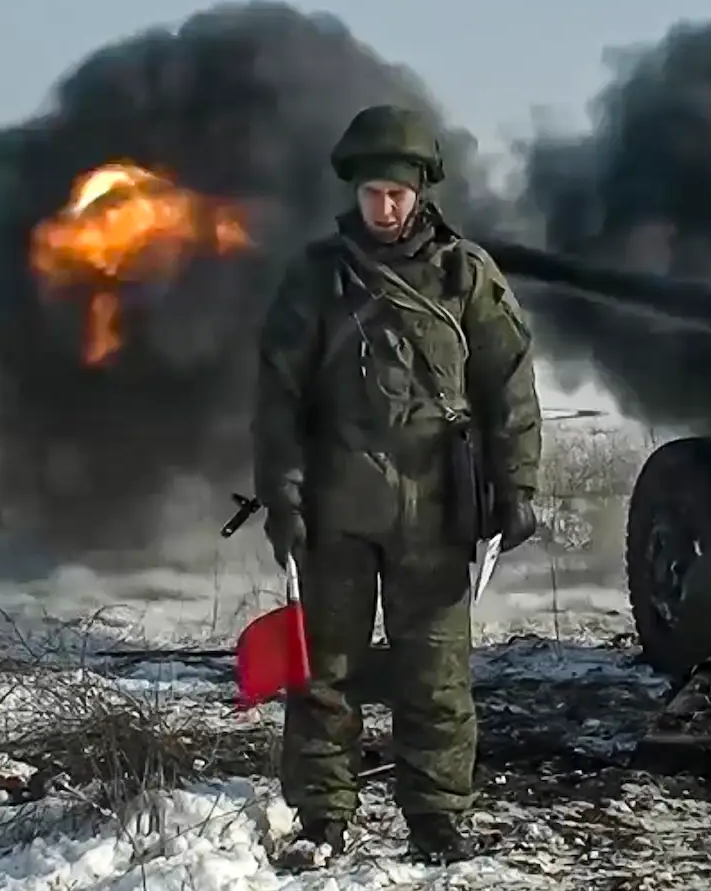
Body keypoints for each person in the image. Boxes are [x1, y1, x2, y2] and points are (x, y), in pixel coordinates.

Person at [251, 103, 542, 869]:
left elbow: (509, 384)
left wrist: (517, 486)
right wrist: (282, 495)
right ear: (355, 190)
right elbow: (277, 395)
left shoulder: (464, 274)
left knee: (437, 678)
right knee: (322, 676)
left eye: (399, 193)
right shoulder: (316, 278)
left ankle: (438, 820)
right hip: (334, 509)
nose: (386, 206)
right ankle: (323, 817)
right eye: (374, 191)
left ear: (421, 191)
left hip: (438, 510)